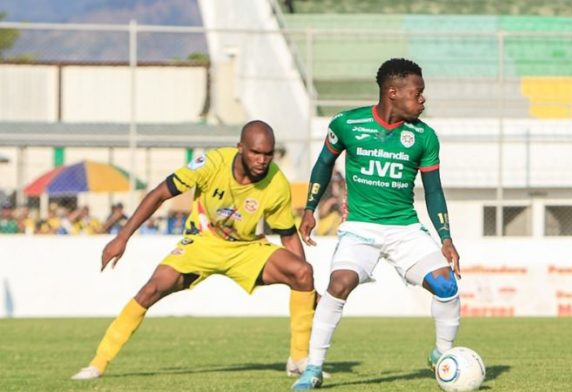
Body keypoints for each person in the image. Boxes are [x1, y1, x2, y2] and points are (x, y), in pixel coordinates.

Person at [72, 120, 317, 380]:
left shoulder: (276, 182)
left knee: (302, 271)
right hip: (201, 241)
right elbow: (159, 194)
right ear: (240, 148)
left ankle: (298, 359)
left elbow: (288, 236)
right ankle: (97, 364)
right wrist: (122, 237)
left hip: (244, 248)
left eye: (268, 154)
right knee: (153, 288)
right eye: (256, 153)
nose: (262, 160)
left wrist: (307, 287)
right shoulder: (211, 164)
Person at [292, 58, 461, 390]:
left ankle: (443, 356)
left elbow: (433, 190)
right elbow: (324, 163)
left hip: (405, 229)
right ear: (393, 92)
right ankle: (312, 368)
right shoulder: (347, 124)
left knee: (446, 285)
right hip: (360, 228)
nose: (423, 99)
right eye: (418, 93)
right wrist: (310, 207)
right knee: (338, 284)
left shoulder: (424, 136)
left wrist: (445, 237)